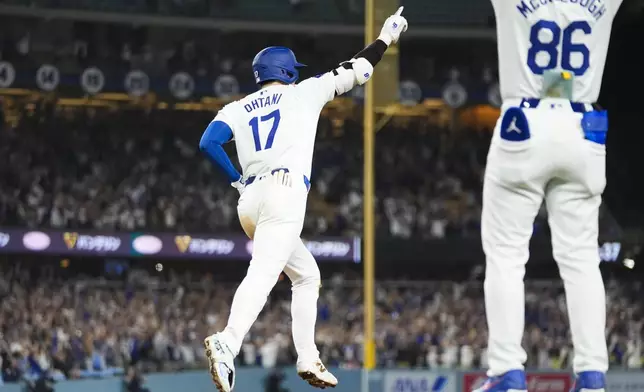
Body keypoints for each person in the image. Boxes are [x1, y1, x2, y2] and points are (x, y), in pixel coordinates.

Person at [198, 8, 408, 392]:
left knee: (307, 275)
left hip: (250, 201)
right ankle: (227, 341)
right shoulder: (304, 92)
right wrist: (386, 36)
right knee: (262, 274)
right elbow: (360, 68)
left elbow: (208, 142)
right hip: (284, 192)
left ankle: (308, 356)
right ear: (288, 72)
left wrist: (236, 180)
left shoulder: (237, 108)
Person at [477, 1, 623, 392]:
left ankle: (508, 372)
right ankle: (593, 376)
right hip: (583, 127)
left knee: (506, 255)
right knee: (581, 259)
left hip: (525, 122)